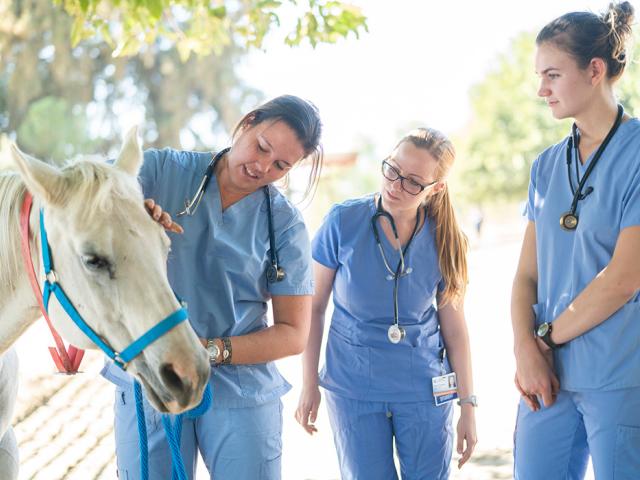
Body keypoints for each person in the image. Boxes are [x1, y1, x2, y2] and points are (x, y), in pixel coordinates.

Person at [101, 95, 323, 479]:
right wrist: (129, 211)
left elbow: (293, 335)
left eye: (281, 166)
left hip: (238, 389)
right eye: (262, 147)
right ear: (247, 122)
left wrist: (209, 352)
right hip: (153, 372)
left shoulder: (285, 225)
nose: (262, 167)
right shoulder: (158, 171)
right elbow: (85, 199)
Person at [296, 128, 477, 479]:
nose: (395, 185)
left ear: (435, 189)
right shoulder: (343, 222)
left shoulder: (446, 239)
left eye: (413, 182)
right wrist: (309, 384)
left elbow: (455, 331)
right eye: (392, 170)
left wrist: (468, 405)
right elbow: (313, 308)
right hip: (353, 388)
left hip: (423, 389)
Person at [511, 3, 640, 479]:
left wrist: (542, 339)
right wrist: (525, 348)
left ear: (595, 70)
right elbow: (527, 273)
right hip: (546, 377)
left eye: (552, 74)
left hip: (619, 374)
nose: (541, 89)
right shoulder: (546, 166)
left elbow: (623, 279)